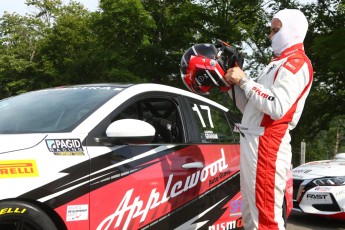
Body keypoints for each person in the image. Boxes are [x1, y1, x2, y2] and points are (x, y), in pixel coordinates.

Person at [224, 9, 313, 230]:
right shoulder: (276, 63)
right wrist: (230, 84)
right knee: (251, 216)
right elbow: (250, 107)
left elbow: (277, 106)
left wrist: (245, 81)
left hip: (267, 146)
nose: (269, 36)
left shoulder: (296, 63)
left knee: (264, 220)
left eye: (275, 30)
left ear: (292, 30)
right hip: (254, 141)